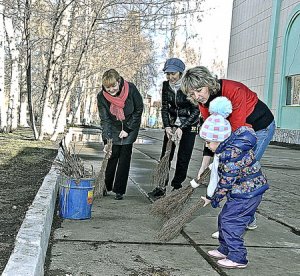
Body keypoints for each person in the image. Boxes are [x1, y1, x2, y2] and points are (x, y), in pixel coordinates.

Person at [181, 66, 275, 235]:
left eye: (199, 90)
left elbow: (235, 132)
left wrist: (220, 161)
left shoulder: (233, 90)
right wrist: (204, 165)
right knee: (233, 172)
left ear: (208, 83)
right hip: (240, 131)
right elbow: (212, 134)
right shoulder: (203, 103)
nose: (197, 97)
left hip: (260, 128)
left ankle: (235, 222)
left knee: (240, 172)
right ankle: (245, 218)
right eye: (192, 94)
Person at [199, 96, 269, 269]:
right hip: (243, 191)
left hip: (247, 193)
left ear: (219, 139)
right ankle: (225, 249)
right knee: (225, 217)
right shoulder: (227, 150)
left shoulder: (232, 155)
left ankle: (238, 257)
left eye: (208, 142)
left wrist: (216, 198)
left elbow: (226, 181)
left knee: (232, 221)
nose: (207, 146)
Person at [148, 58, 200, 200]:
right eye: (168, 74)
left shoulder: (189, 86)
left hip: (190, 126)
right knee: (165, 155)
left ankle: (177, 186)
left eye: (173, 74)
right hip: (171, 125)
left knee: (183, 157)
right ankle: (160, 187)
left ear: (181, 72)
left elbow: (196, 111)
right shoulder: (166, 86)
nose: (170, 77)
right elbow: (165, 108)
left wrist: (182, 127)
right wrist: (166, 126)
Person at [97, 69, 143, 200]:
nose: (111, 89)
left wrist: (128, 129)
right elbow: (105, 120)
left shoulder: (131, 89)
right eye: (108, 87)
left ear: (119, 81)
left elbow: (139, 109)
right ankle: (106, 185)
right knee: (112, 155)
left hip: (131, 125)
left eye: (113, 86)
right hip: (113, 126)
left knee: (124, 158)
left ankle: (119, 190)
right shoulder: (101, 97)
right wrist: (106, 141)